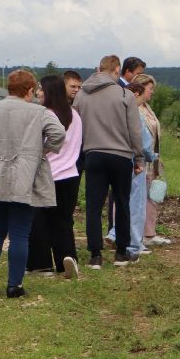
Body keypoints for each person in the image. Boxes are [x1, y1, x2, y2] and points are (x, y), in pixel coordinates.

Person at [0, 69, 65, 298]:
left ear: (9, 88)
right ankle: (15, 285)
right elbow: (59, 134)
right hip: (24, 178)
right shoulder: (40, 112)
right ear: (30, 90)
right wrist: (42, 151)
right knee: (20, 233)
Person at [74, 55, 145, 267]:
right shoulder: (125, 94)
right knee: (122, 202)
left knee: (94, 206)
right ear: (116, 70)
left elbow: (76, 128)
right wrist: (139, 156)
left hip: (93, 154)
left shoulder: (81, 96)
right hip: (121, 156)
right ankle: (122, 252)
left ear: (98, 69)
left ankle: (95, 254)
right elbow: (135, 130)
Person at [28, 75, 83, 278]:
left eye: (41, 89)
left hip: (47, 174)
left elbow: (39, 143)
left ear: (49, 91)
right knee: (63, 221)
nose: (38, 93)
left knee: (38, 221)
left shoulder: (45, 115)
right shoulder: (74, 115)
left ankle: (40, 264)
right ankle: (66, 259)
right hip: (70, 175)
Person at [125, 74, 160, 258]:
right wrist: (153, 155)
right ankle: (134, 245)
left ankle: (119, 237)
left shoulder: (118, 109)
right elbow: (144, 143)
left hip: (119, 161)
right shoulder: (136, 113)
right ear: (137, 93)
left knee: (123, 201)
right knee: (136, 205)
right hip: (136, 164)